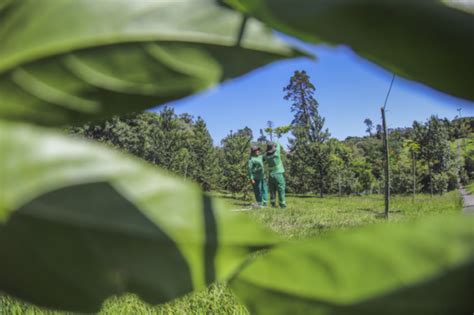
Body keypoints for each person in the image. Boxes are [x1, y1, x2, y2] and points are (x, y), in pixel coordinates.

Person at [265, 142, 286, 208]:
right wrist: (275, 142)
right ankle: (282, 205)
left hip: (271, 175)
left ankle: (273, 204)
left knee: (272, 190)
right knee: (281, 189)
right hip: (278, 174)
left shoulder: (266, 156)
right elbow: (278, 144)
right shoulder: (277, 153)